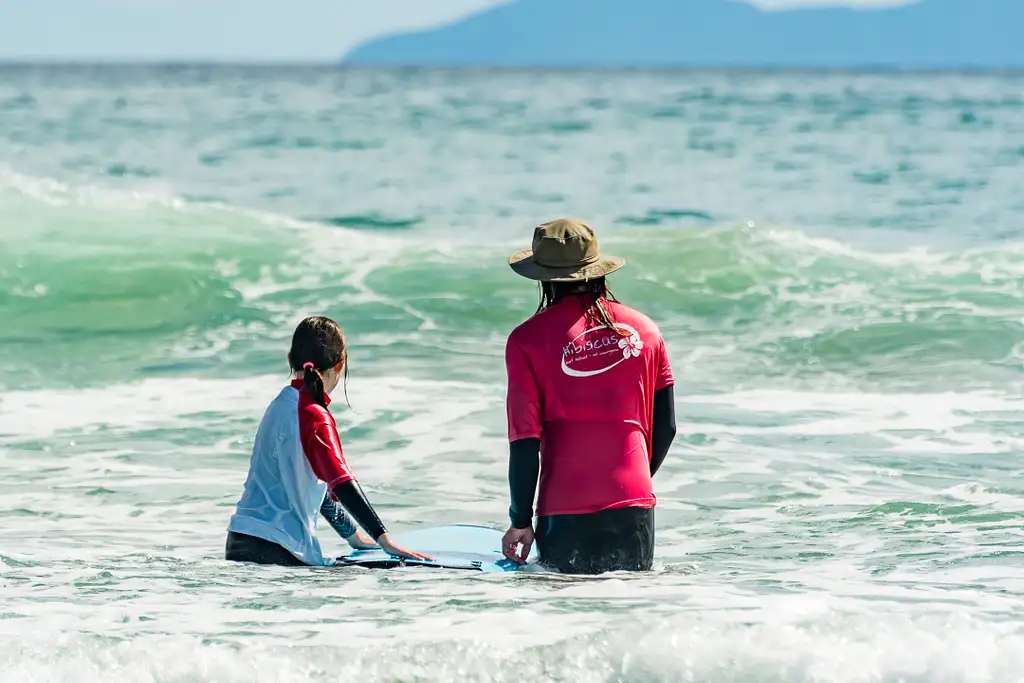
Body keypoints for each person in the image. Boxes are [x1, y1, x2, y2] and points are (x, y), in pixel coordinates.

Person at [500, 218, 677, 574]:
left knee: (565, 616)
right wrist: (629, 483)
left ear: (544, 276)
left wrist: (520, 519)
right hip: (634, 497)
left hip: (565, 505)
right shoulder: (645, 330)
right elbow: (667, 427)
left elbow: (524, 440)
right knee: (630, 610)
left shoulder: (526, 340)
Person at [226, 315, 430, 567]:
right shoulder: (314, 415)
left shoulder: (279, 405)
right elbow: (340, 481)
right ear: (339, 363)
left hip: (240, 542)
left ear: (291, 359)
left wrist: (354, 537)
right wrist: (384, 539)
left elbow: (314, 488)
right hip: (280, 550)